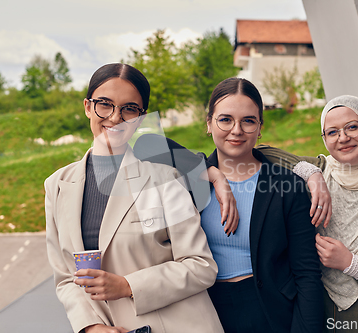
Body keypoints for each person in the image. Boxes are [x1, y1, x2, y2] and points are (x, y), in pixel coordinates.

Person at [44, 63, 225, 333]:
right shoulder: (57, 185)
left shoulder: (165, 180)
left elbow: (201, 266)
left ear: (140, 118)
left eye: (129, 109)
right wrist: (90, 326)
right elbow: (67, 279)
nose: (115, 118)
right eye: (104, 104)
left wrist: (128, 285)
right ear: (87, 106)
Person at [257, 95, 358, 332]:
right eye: (332, 132)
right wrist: (312, 175)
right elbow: (262, 152)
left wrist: (351, 263)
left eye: (352, 127)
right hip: (325, 318)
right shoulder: (321, 171)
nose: (343, 138)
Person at [191, 77, 324, 332]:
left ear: (260, 127)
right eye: (225, 119)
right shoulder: (189, 180)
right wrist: (214, 176)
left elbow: (307, 274)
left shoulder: (287, 186)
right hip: (205, 312)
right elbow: (144, 147)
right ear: (209, 123)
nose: (236, 130)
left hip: (269, 313)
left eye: (248, 121)